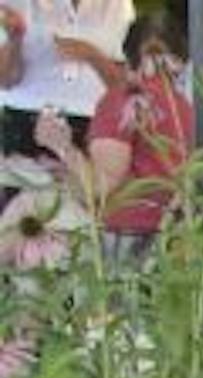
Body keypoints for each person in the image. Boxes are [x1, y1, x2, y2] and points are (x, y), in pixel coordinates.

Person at [33, 9, 185, 261]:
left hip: (125, 240)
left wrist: (61, 146)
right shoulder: (189, 106)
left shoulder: (122, 101)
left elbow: (102, 188)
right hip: (177, 240)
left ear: (126, 57)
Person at [0, 0, 129, 159]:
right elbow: (5, 81)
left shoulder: (118, 5)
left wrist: (93, 56)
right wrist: (15, 40)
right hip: (25, 119)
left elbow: (122, 87)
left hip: (94, 122)